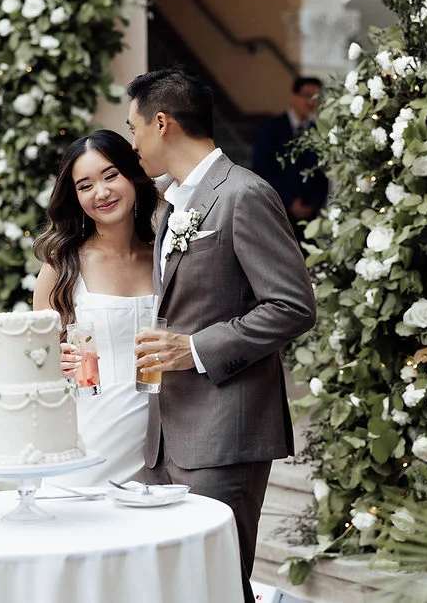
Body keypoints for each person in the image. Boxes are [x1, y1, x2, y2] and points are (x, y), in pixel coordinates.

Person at [126, 68, 316, 603]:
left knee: (219, 586)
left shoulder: (244, 193)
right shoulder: (171, 203)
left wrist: (194, 349)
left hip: (225, 433)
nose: (132, 143)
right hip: (165, 435)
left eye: (133, 128)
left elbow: (292, 306)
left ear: (161, 123)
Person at [33, 129, 160, 486]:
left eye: (110, 176)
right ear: (74, 197)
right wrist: (53, 362)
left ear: (132, 176)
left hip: (164, 436)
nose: (101, 193)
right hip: (89, 436)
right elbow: (35, 361)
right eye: (85, 185)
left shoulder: (166, 257)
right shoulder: (61, 267)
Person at [250, 76, 328, 244]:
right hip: (277, 212)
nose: (312, 102)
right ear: (294, 96)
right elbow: (261, 170)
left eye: (316, 97)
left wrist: (313, 204)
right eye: (307, 95)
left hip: (309, 219)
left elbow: (322, 174)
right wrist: (289, 202)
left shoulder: (318, 132)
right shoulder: (271, 128)